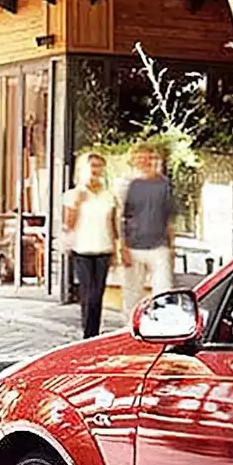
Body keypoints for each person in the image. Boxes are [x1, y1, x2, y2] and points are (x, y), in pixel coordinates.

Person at [62, 152, 120, 338]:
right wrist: (77, 204)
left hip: (104, 249)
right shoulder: (73, 194)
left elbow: (112, 225)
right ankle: (89, 334)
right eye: (92, 165)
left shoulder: (108, 196)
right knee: (88, 294)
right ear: (84, 168)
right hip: (82, 250)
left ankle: (93, 332)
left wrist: (116, 251)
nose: (96, 170)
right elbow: (68, 224)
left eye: (99, 166)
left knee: (98, 295)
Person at [120, 144, 175, 318]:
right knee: (132, 294)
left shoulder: (165, 184)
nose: (145, 161)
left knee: (164, 291)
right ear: (134, 160)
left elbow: (169, 217)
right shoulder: (127, 185)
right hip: (133, 246)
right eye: (141, 158)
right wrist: (122, 247)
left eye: (149, 157)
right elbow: (118, 217)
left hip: (159, 246)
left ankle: (162, 325)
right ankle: (129, 327)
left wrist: (171, 246)